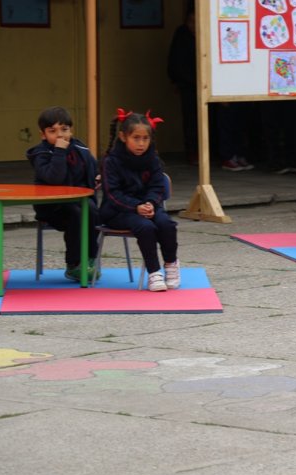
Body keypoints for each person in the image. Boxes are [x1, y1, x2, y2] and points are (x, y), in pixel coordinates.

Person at [99, 110, 180, 292]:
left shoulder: (153, 159)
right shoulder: (111, 161)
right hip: (118, 211)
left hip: (147, 206)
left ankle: (171, 264)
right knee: (146, 227)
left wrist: (150, 203)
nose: (141, 143)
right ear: (123, 136)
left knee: (166, 223)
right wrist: (136, 207)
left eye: (145, 138)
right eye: (136, 138)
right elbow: (112, 194)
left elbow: (158, 187)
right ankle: (154, 272)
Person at [26, 106, 101, 282]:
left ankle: (90, 259)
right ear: (43, 135)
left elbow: (91, 168)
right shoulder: (41, 154)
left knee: (91, 210)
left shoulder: (80, 148)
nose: (60, 135)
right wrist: (59, 151)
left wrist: (96, 176)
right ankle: (74, 264)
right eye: (53, 131)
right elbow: (54, 178)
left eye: (65, 130)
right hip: (52, 207)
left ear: (71, 130)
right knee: (77, 213)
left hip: (78, 202)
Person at [167, 6, 199, 166]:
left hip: (206, 85)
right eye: (190, 22)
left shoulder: (206, 33)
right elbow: (175, 61)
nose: (193, 26)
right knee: (191, 120)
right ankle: (192, 152)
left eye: (196, 22)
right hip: (188, 85)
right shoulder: (182, 35)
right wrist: (177, 81)